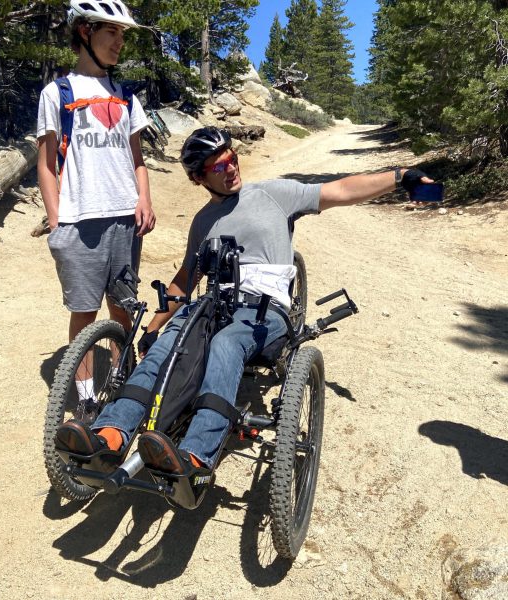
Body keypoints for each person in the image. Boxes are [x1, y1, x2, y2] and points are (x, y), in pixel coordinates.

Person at [55, 126, 434, 477]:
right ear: (199, 178)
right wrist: (154, 328)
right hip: (213, 307)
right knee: (166, 346)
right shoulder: (203, 221)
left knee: (227, 343)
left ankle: (196, 453)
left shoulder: (272, 195)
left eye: (232, 157)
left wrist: (400, 177)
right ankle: (111, 434)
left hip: (264, 312)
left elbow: (341, 190)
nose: (231, 168)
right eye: (219, 165)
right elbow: (186, 279)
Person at [37, 0, 155, 420]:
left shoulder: (125, 96)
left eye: (123, 34)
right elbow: (46, 164)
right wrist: (56, 222)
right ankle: (86, 398)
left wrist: (144, 198)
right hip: (79, 222)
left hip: (124, 219)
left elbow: (137, 160)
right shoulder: (58, 93)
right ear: (85, 32)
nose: (120, 42)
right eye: (112, 32)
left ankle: (122, 385)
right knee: (84, 313)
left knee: (123, 308)